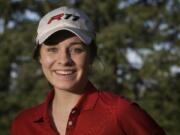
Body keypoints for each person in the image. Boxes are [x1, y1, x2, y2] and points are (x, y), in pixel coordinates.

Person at [11, 6, 166, 135]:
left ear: (92, 55)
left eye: (76, 49)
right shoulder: (23, 124)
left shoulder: (120, 113)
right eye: (52, 49)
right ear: (40, 57)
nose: (64, 60)